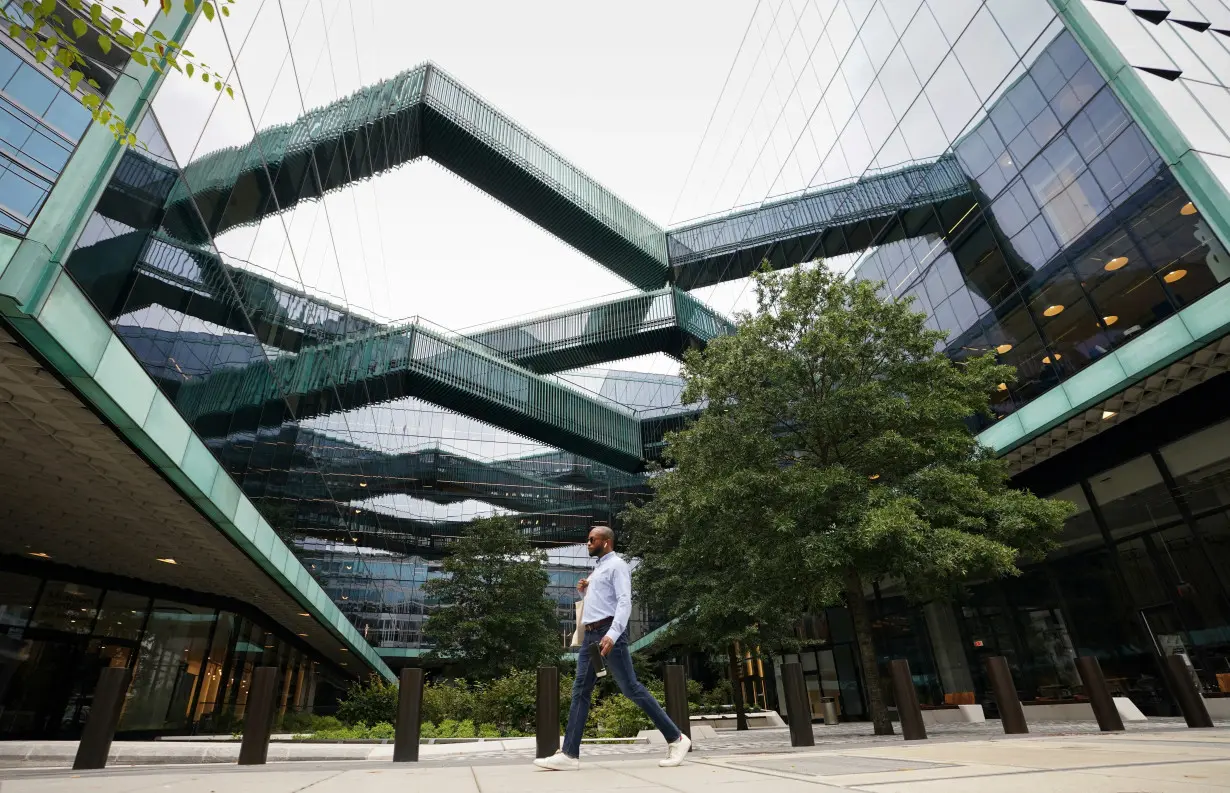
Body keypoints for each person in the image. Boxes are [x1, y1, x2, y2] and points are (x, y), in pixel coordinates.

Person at [534, 525, 691, 770]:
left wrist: (613, 634)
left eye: (591, 539)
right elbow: (600, 600)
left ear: (605, 542)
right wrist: (586, 590)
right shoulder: (598, 569)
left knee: (631, 688)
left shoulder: (618, 565)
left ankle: (677, 738)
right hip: (591, 637)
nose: (587, 543)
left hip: (608, 634)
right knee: (580, 691)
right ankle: (569, 755)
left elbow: (624, 601)